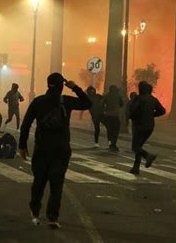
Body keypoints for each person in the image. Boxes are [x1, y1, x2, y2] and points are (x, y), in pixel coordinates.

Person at [19, 73, 91, 229]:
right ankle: (53, 217)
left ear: (47, 84)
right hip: (61, 149)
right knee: (56, 184)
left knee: (39, 181)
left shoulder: (38, 102)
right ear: (61, 85)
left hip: (42, 148)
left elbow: (26, 124)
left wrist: (22, 146)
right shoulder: (66, 101)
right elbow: (88, 103)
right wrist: (74, 87)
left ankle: (35, 211)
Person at [128, 81, 166, 175]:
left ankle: (148, 156)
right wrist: (152, 115)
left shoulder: (139, 98)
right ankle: (136, 167)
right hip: (150, 126)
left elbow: (132, 110)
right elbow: (162, 111)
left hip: (139, 125)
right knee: (139, 146)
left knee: (135, 147)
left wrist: (131, 116)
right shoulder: (153, 99)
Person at [101, 85, 124, 152]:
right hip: (115, 116)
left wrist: (105, 109)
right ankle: (113, 144)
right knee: (115, 131)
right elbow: (122, 104)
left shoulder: (106, 96)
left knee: (109, 131)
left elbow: (101, 104)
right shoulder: (118, 96)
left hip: (108, 116)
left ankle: (110, 144)